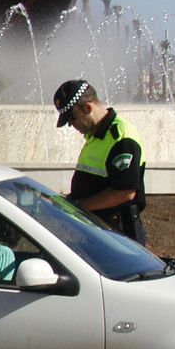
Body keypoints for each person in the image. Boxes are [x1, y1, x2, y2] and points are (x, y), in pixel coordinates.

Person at [53, 78, 148, 243]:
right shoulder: (95, 136)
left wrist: (78, 206)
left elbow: (125, 192)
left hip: (118, 234)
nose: (70, 125)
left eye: (72, 118)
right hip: (98, 231)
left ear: (88, 107)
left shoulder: (121, 137)